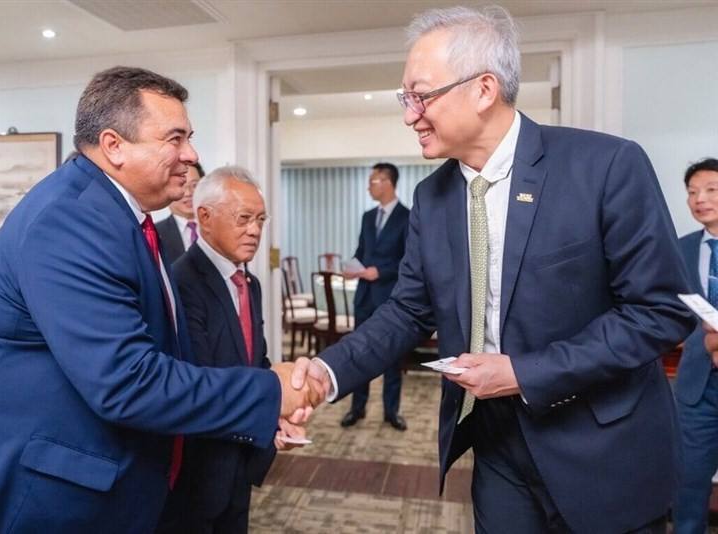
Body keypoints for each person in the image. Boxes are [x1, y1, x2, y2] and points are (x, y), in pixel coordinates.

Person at [298, 6, 695, 533]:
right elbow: (406, 314)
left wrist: (523, 373)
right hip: (497, 448)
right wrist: (323, 375)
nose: (409, 114)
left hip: (602, 450)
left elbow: (659, 311)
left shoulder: (605, 166)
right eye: (405, 99)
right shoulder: (433, 196)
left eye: (420, 95)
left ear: (484, 89)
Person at [0, 66, 317, 533]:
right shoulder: (70, 220)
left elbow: (168, 359)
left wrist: (254, 415)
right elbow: (127, 381)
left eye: (189, 137)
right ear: (114, 146)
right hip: (23, 489)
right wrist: (271, 392)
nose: (191, 155)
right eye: (175, 139)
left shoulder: (123, 219)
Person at [159, 166, 302, 533]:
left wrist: (277, 417)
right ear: (204, 217)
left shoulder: (248, 282)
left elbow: (257, 362)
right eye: (243, 219)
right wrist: (268, 406)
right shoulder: (182, 282)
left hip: (239, 460)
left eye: (260, 219)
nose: (255, 230)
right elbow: (200, 380)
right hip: (199, 467)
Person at [340, 162, 409, 431]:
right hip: (365, 297)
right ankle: (357, 408)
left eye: (373, 181)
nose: (369, 186)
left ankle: (392, 412)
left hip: (391, 299)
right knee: (359, 355)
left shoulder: (407, 216)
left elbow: (408, 261)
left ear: (387, 182)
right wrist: (353, 268)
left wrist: (379, 271)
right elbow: (361, 249)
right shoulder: (368, 217)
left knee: (392, 358)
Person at [673, 157, 718, 534]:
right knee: (688, 485)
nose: (699, 199)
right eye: (692, 192)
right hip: (696, 389)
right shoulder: (679, 250)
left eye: (710, 190)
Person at [156, 161, 205, 263]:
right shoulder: (155, 234)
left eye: (194, 185)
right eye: (181, 185)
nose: (188, 193)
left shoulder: (220, 227)